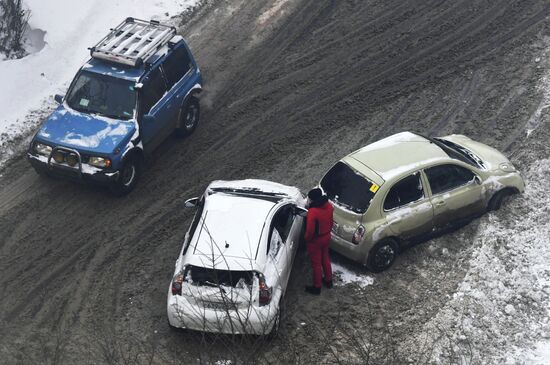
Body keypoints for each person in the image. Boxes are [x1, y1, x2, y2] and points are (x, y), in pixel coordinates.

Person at [304, 188, 334, 295]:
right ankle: (329, 280)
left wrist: (307, 239)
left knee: (316, 264)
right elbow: (331, 222)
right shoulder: (329, 206)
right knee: (325, 258)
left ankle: (317, 287)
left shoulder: (313, 212)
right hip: (326, 236)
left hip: (316, 241)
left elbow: (310, 231)